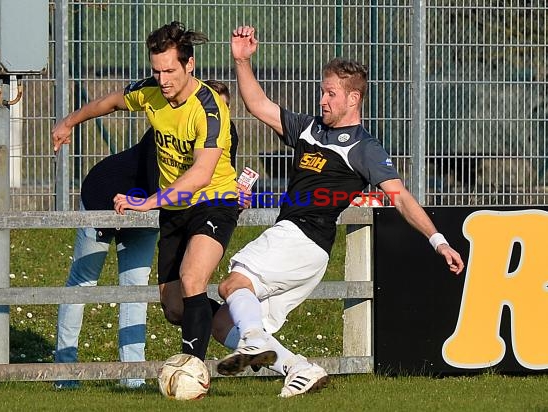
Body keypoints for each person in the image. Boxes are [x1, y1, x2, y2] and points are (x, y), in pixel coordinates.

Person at [212, 25, 466, 398]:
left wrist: (438, 240)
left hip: (300, 237)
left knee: (232, 284)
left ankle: (252, 342)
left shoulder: (364, 147)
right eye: (322, 91)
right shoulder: (309, 128)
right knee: (222, 323)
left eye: (330, 93)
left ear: (353, 99)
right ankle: (297, 368)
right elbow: (258, 105)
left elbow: (401, 197)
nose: (322, 100)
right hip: (308, 253)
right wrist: (242, 60)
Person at [52, 21, 239, 364]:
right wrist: (68, 122)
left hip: (212, 200)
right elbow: (110, 102)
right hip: (155, 204)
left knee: (192, 279)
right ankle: (245, 329)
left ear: (190, 64)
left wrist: (149, 202)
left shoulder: (210, 109)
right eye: (157, 71)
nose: (163, 80)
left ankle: (190, 370)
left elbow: (201, 174)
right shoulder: (152, 91)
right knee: (173, 306)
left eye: (170, 70)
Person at [54, 129, 159, 390]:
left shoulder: (220, 137)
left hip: (147, 211)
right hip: (103, 197)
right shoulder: (168, 127)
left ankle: (133, 378)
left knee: (135, 290)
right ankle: (65, 374)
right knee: (83, 282)